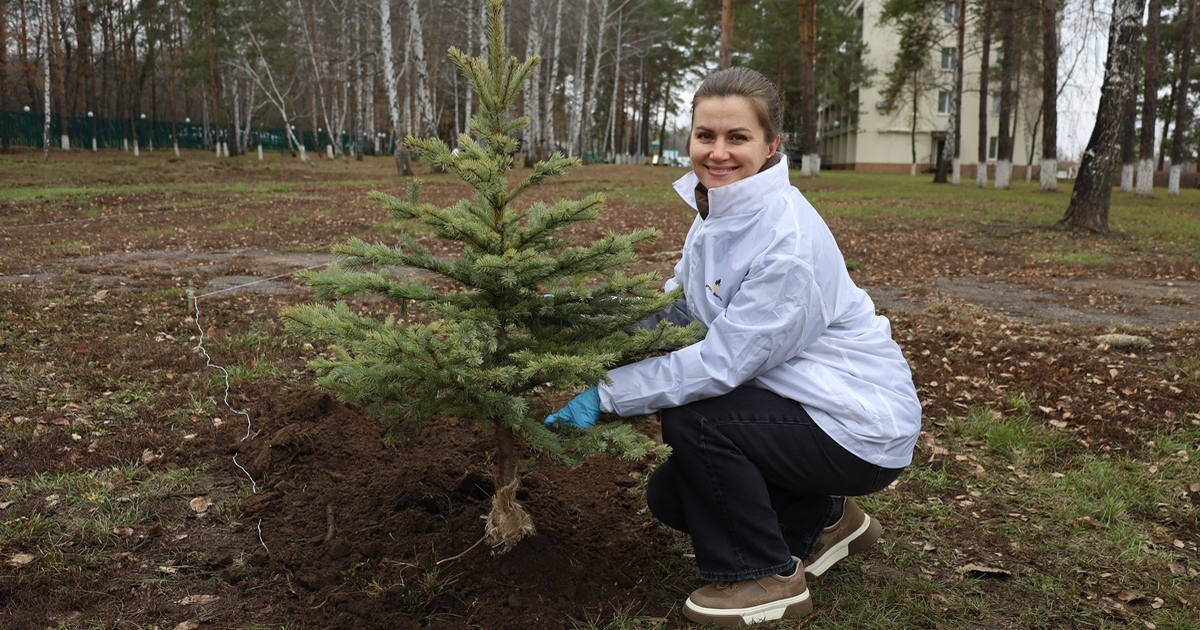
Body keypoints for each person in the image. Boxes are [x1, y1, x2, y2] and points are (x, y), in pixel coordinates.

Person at [545, 66, 922, 626]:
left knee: (697, 419)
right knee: (673, 498)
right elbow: (678, 307)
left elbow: (720, 364)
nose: (717, 152)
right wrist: (581, 325)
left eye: (737, 137)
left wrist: (607, 396)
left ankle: (765, 577)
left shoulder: (786, 239)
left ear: (771, 146)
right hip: (800, 406)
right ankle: (826, 519)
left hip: (857, 424)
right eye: (705, 135)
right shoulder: (716, 213)